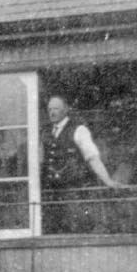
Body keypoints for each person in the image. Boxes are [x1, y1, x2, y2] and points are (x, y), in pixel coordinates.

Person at [41, 95, 121, 233]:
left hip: (74, 194)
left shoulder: (79, 130)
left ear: (65, 110)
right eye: (49, 109)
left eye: (56, 108)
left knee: (76, 229)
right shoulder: (45, 132)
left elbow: (93, 158)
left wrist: (108, 180)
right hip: (52, 194)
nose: (52, 112)